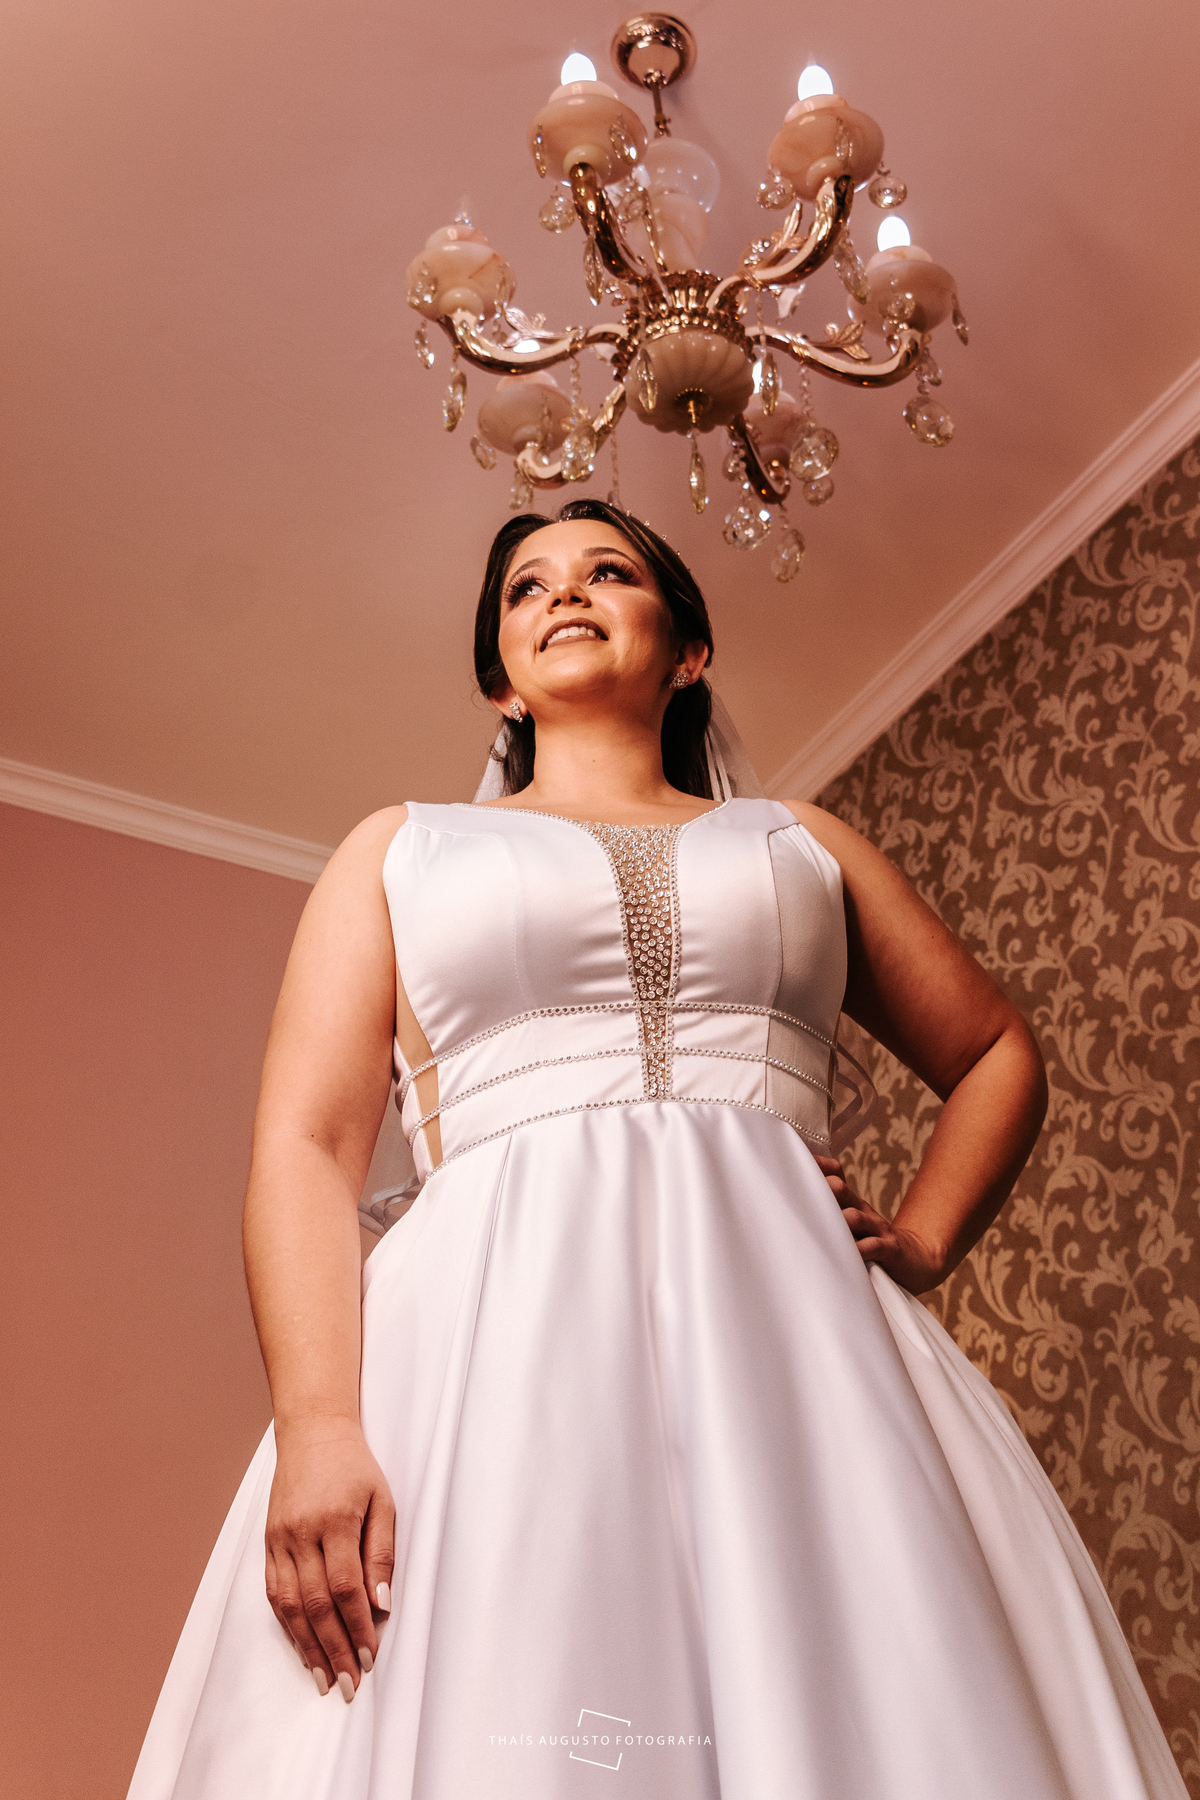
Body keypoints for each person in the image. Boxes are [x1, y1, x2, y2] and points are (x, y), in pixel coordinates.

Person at [128, 498, 1187, 1799]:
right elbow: (306, 1146)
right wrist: (317, 1428)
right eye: (526, 588)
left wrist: (923, 1236)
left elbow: (996, 1052)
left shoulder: (802, 843)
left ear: (690, 651)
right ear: (498, 681)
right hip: (484, 1352)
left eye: (608, 571)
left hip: (801, 1350)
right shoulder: (400, 852)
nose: (564, 595)